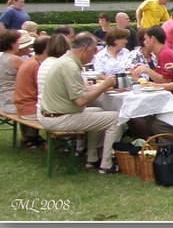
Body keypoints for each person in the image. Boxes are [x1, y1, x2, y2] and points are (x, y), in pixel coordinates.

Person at [37, 32, 123, 173]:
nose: (95, 55)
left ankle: (92, 157)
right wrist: (103, 86)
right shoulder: (69, 66)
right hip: (59, 118)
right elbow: (81, 100)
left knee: (99, 111)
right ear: (85, 49)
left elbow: (82, 89)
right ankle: (107, 164)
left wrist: (106, 86)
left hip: (53, 114)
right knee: (117, 118)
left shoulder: (66, 61)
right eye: (94, 50)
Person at [13, 34, 47, 148]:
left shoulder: (31, 61)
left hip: (22, 104)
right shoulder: (36, 65)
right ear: (46, 49)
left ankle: (30, 137)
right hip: (29, 108)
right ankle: (67, 142)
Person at [0, 29, 33, 113]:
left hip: (3, 99)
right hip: (11, 101)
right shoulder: (14, 59)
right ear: (12, 44)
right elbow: (31, 74)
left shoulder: (2, 56)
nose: (19, 44)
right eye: (18, 42)